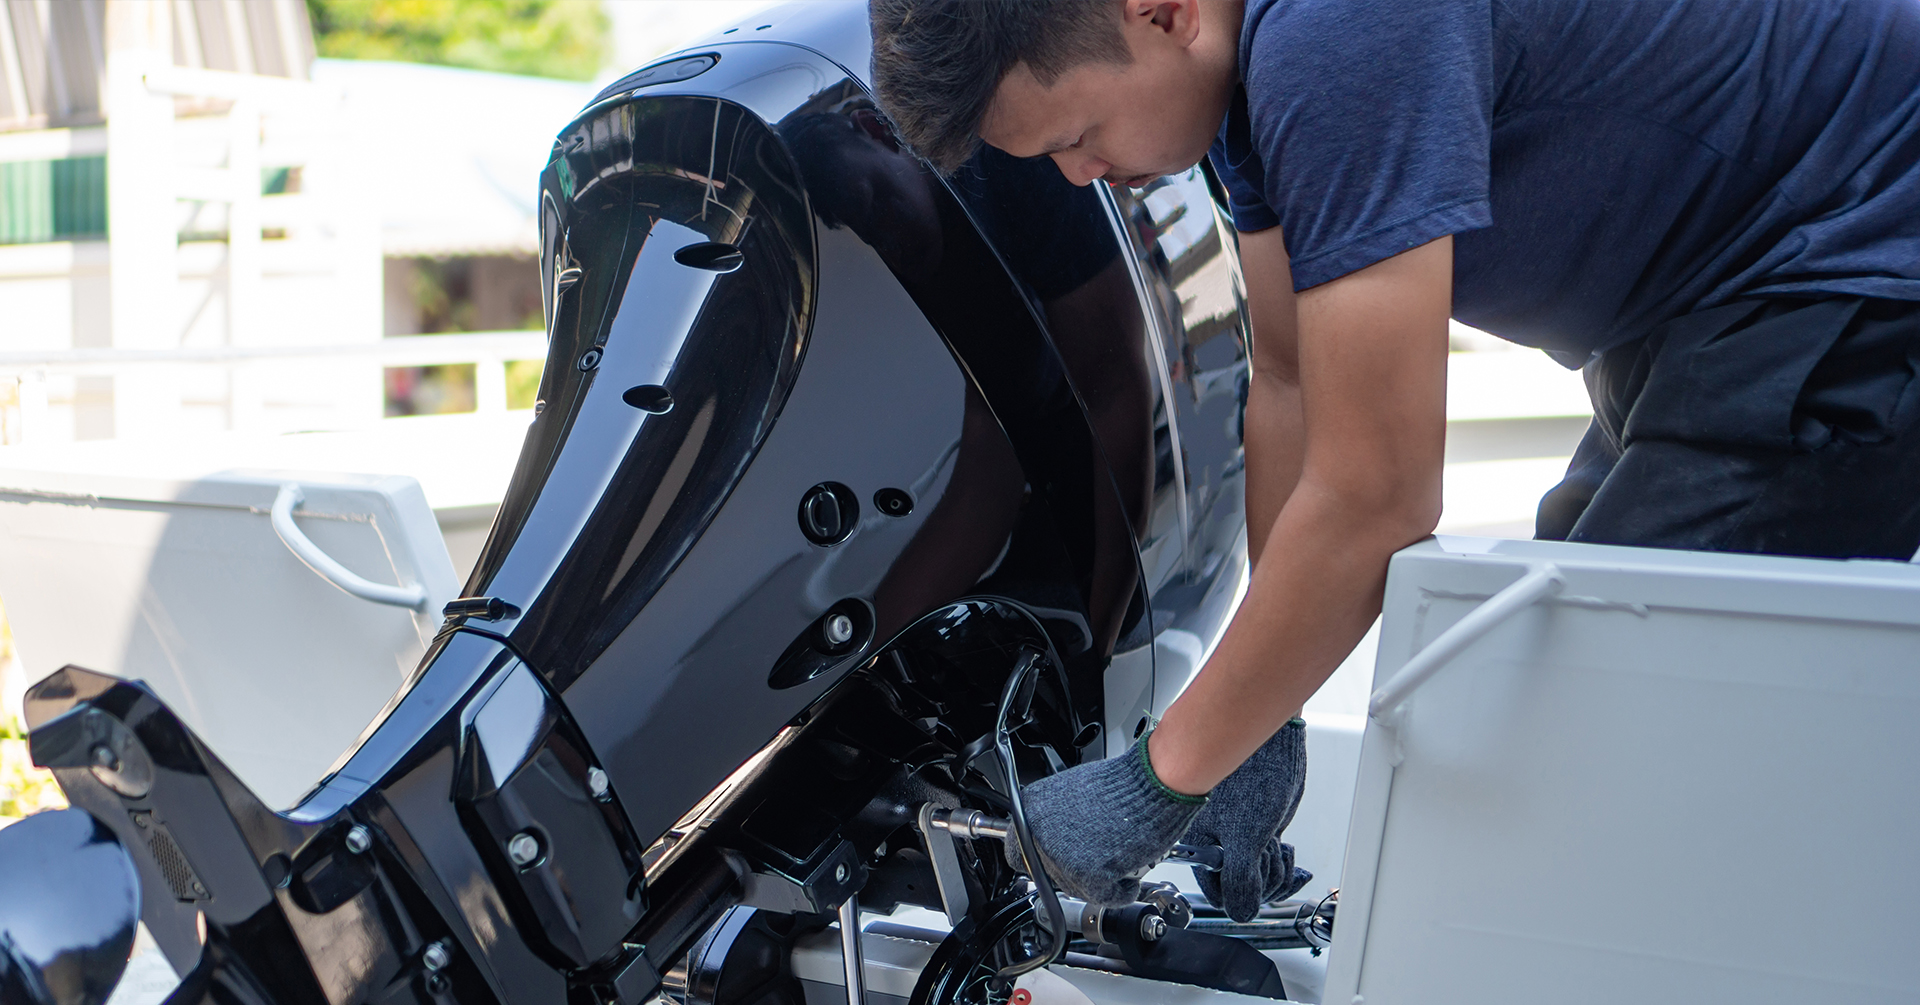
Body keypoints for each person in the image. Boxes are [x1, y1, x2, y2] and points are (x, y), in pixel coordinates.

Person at [866, 0, 1920, 922]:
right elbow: (1287, 379)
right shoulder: (1241, 72)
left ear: (1162, 11)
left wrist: (1159, 777)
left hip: (1862, 258)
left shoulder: (1337, 37)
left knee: (1603, 735)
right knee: (1551, 692)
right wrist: (1258, 711)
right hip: (1727, 297)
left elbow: (1379, 497)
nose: (1081, 175)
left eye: (1079, 135)